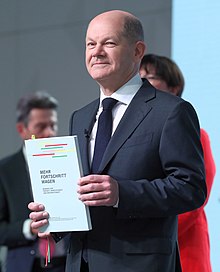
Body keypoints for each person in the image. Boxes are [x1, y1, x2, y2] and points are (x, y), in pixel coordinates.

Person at [28, 10, 207, 272]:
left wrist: (122, 193)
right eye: (91, 44)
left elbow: (190, 188)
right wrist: (51, 219)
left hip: (140, 264)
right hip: (80, 263)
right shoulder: (81, 116)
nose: (96, 52)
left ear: (137, 51)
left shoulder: (171, 111)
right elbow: (82, 194)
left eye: (108, 43)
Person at [139, 53, 216, 272]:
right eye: (139, 77)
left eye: (150, 77)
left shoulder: (197, 135)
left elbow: (193, 199)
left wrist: (149, 237)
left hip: (183, 251)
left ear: (174, 87)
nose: (142, 83)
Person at [0, 91, 67, 272]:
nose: (49, 133)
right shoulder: (5, 170)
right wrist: (29, 228)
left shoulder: (70, 164)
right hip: (25, 266)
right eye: (41, 127)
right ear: (22, 130)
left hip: (66, 263)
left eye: (53, 125)